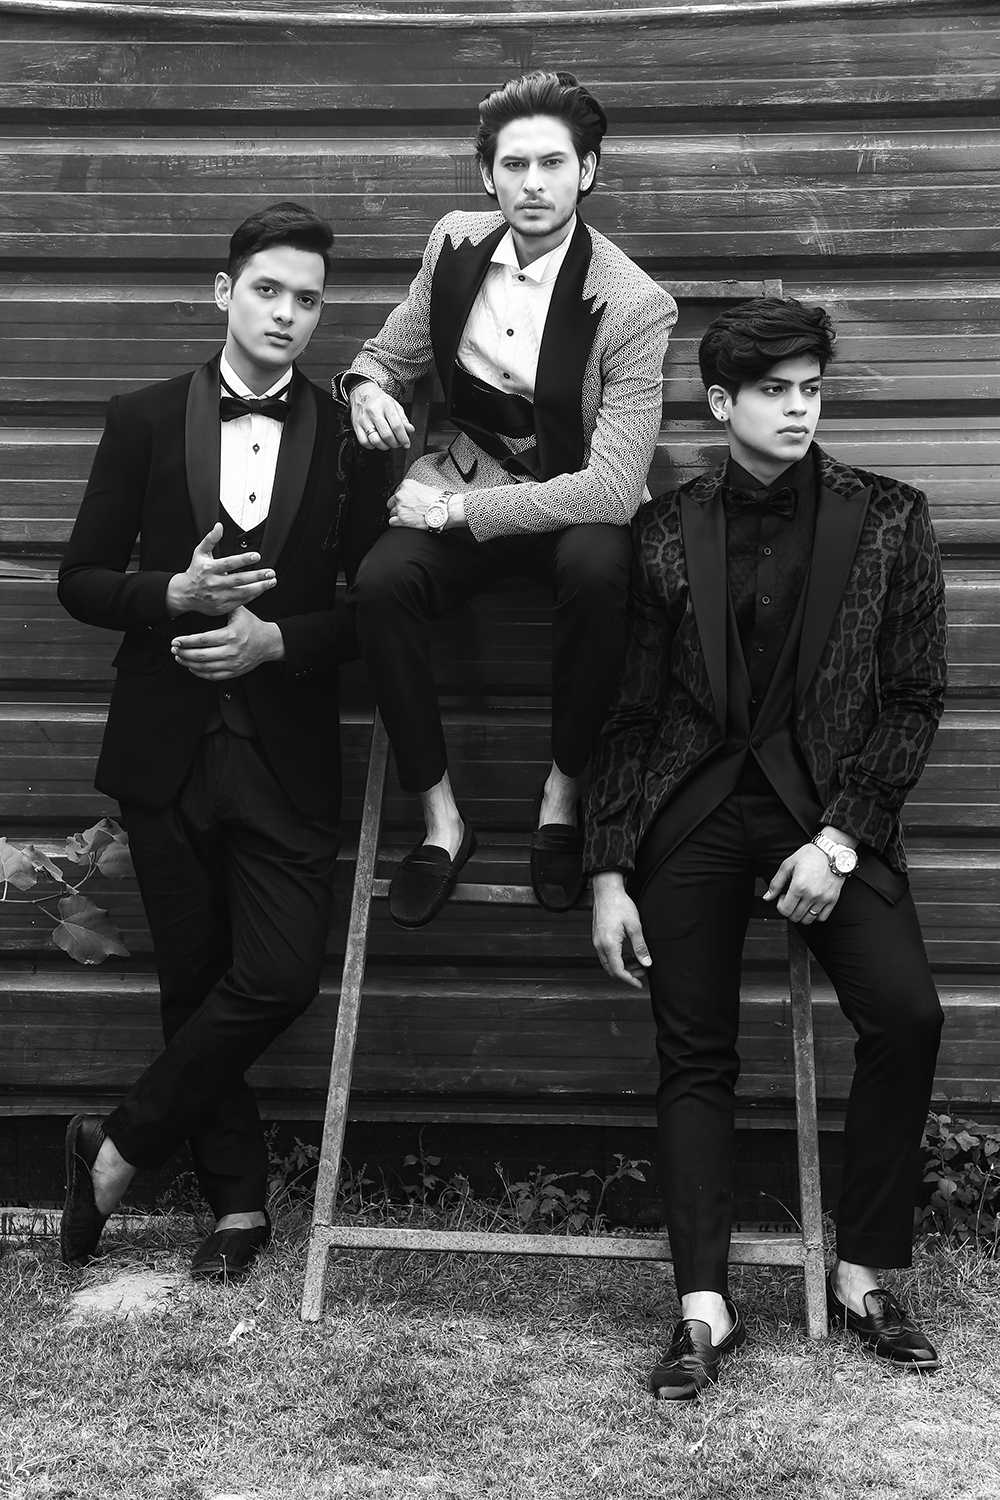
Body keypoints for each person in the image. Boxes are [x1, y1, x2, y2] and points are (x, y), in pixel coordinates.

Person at [587, 297, 948, 1397]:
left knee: (907, 1016)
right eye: (774, 392)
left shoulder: (890, 517)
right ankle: (703, 1306)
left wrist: (841, 841)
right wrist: (608, 869)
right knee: (694, 1051)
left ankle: (865, 1270)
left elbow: (913, 697)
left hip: (828, 812)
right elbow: (629, 712)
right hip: (693, 809)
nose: (799, 409)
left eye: (811, 390)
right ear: (720, 403)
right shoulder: (662, 528)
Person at [57, 202, 389, 1279]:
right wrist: (173, 593)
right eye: (267, 290)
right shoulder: (144, 417)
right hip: (163, 747)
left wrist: (277, 638)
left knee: (280, 975)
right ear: (224, 292)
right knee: (193, 982)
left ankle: (115, 1148)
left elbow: (377, 611)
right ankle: (238, 1206)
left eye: (307, 299)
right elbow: (81, 579)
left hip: (285, 747)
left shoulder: (348, 438)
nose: (287, 313)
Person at [335, 70, 677, 928]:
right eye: (514, 164)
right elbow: (385, 356)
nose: (533, 183)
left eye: (553, 163)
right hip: (467, 470)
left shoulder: (634, 304)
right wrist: (364, 390)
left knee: (602, 571)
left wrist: (456, 515)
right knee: (379, 584)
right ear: (487, 174)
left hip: (573, 501)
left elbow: (610, 488)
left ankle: (563, 795)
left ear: (587, 171)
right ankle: (442, 819)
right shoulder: (453, 243)